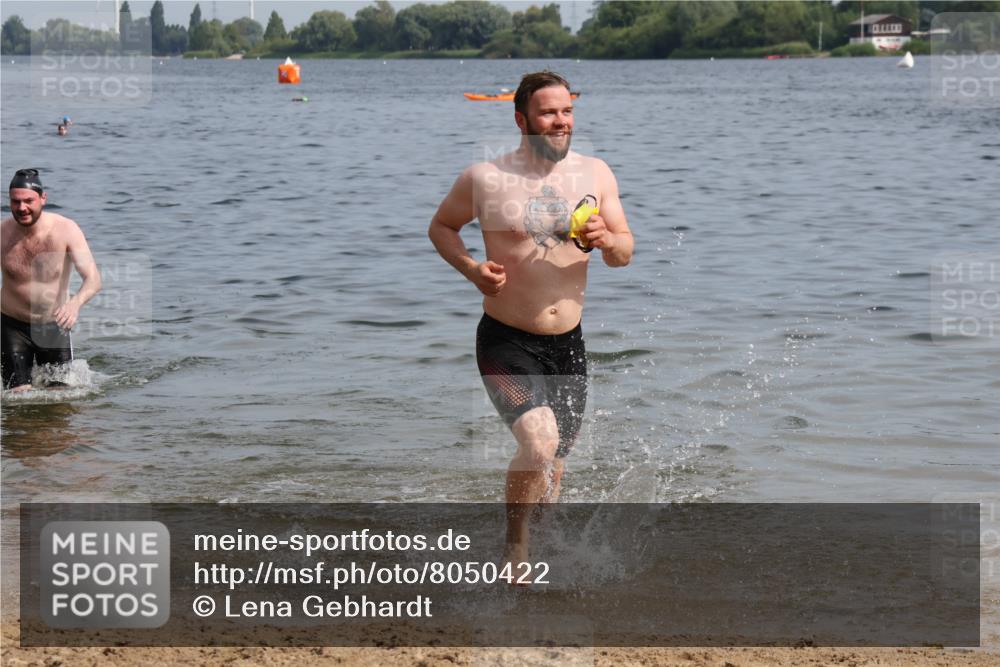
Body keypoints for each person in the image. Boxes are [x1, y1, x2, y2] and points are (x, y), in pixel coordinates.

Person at [429, 71, 634, 571]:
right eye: (548, 113)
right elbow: (441, 227)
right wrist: (473, 269)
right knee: (538, 444)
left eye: (566, 111)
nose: (560, 121)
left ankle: (544, 558)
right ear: (522, 119)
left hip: (568, 344)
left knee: (554, 470)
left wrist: (610, 241)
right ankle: (514, 547)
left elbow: (624, 253)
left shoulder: (596, 174)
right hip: (506, 340)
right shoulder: (485, 179)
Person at [2, 169, 101, 391]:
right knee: (17, 400)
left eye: (28, 201)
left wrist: (74, 304)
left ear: (43, 198)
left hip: (53, 326)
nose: (22, 208)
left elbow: (93, 279)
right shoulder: (2, 232)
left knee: (60, 399)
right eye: (15, 202)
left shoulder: (66, 230)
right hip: (11, 326)